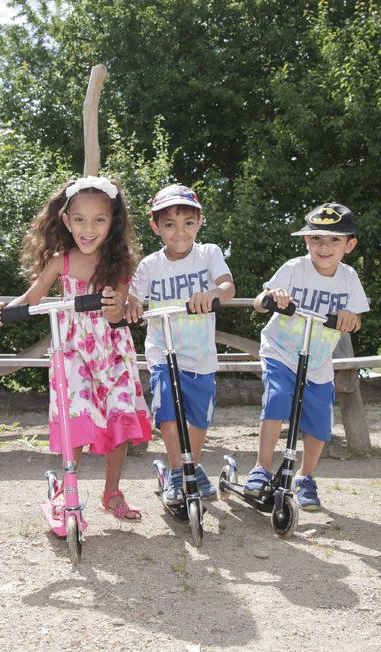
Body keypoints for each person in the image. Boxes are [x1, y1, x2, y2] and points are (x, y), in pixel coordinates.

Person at [0, 176, 152, 521]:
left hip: (113, 351)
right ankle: (69, 489)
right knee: (74, 413)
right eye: (80, 219)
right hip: (73, 350)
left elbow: (124, 303)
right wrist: (3, 312)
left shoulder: (121, 263)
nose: (88, 228)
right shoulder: (59, 262)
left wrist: (122, 306)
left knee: (119, 414)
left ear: (113, 222)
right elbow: (30, 299)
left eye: (99, 220)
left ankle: (112, 491)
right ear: (66, 221)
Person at [242, 202, 370, 511]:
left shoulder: (349, 278)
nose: (324, 246)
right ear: (306, 241)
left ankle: (305, 477)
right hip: (281, 352)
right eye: (317, 239)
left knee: (319, 422)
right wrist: (273, 297)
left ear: (349, 245)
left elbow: (356, 318)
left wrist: (349, 318)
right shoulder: (294, 268)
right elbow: (261, 302)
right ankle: (262, 467)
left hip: (318, 361)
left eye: (334, 240)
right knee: (276, 401)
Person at [126, 184, 236, 505]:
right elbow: (134, 296)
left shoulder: (209, 254)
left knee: (198, 417)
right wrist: (132, 304)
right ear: (156, 227)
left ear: (199, 222)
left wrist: (211, 295)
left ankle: (192, 466)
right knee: (169, 414)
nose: (179, 232)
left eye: (188, 223)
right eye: (170, 224)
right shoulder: (149, 265)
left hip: (200, 355)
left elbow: (227, 287)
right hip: (163, 351)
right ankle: (177, 472)